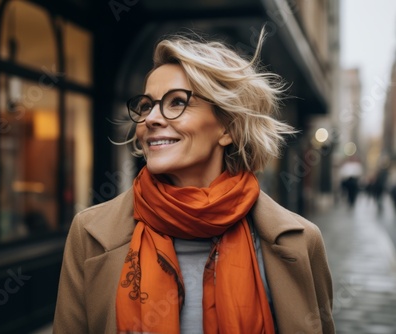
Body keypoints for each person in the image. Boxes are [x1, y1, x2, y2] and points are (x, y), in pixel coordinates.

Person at [53, 31, 334, 333]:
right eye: (147, 105)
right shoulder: (89, 234)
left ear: (228, 127)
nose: (151, 119)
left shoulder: (301, 241)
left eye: (177, 102)